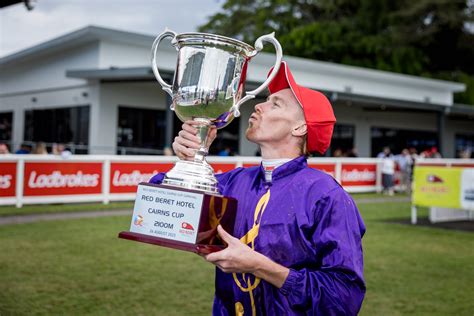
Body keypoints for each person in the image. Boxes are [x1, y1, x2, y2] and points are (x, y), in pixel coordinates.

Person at [150, 61, 366, 315]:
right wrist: (189, 161)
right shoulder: (234, 181)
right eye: (266, 99)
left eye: (276, 103)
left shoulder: (326, 196)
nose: (259, 105)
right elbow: (159, 208)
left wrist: (260, 266)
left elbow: (343, 298)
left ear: (300, 127)